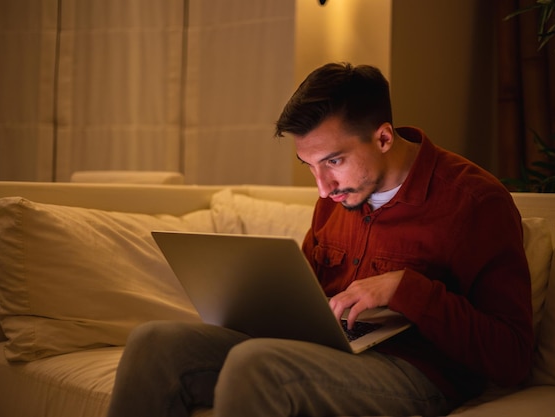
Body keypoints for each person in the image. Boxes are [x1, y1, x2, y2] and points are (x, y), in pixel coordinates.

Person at [107, 62, 533, 417]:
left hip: (417, 372)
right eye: (309, 165)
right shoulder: (337, 197)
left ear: (383, 137)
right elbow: (311, 297)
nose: (323, 188)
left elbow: (512, 357)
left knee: (259, 364)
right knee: (156, 343)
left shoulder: (475, 203)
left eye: (334, 161)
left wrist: (408, 290)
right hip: (329, 350)